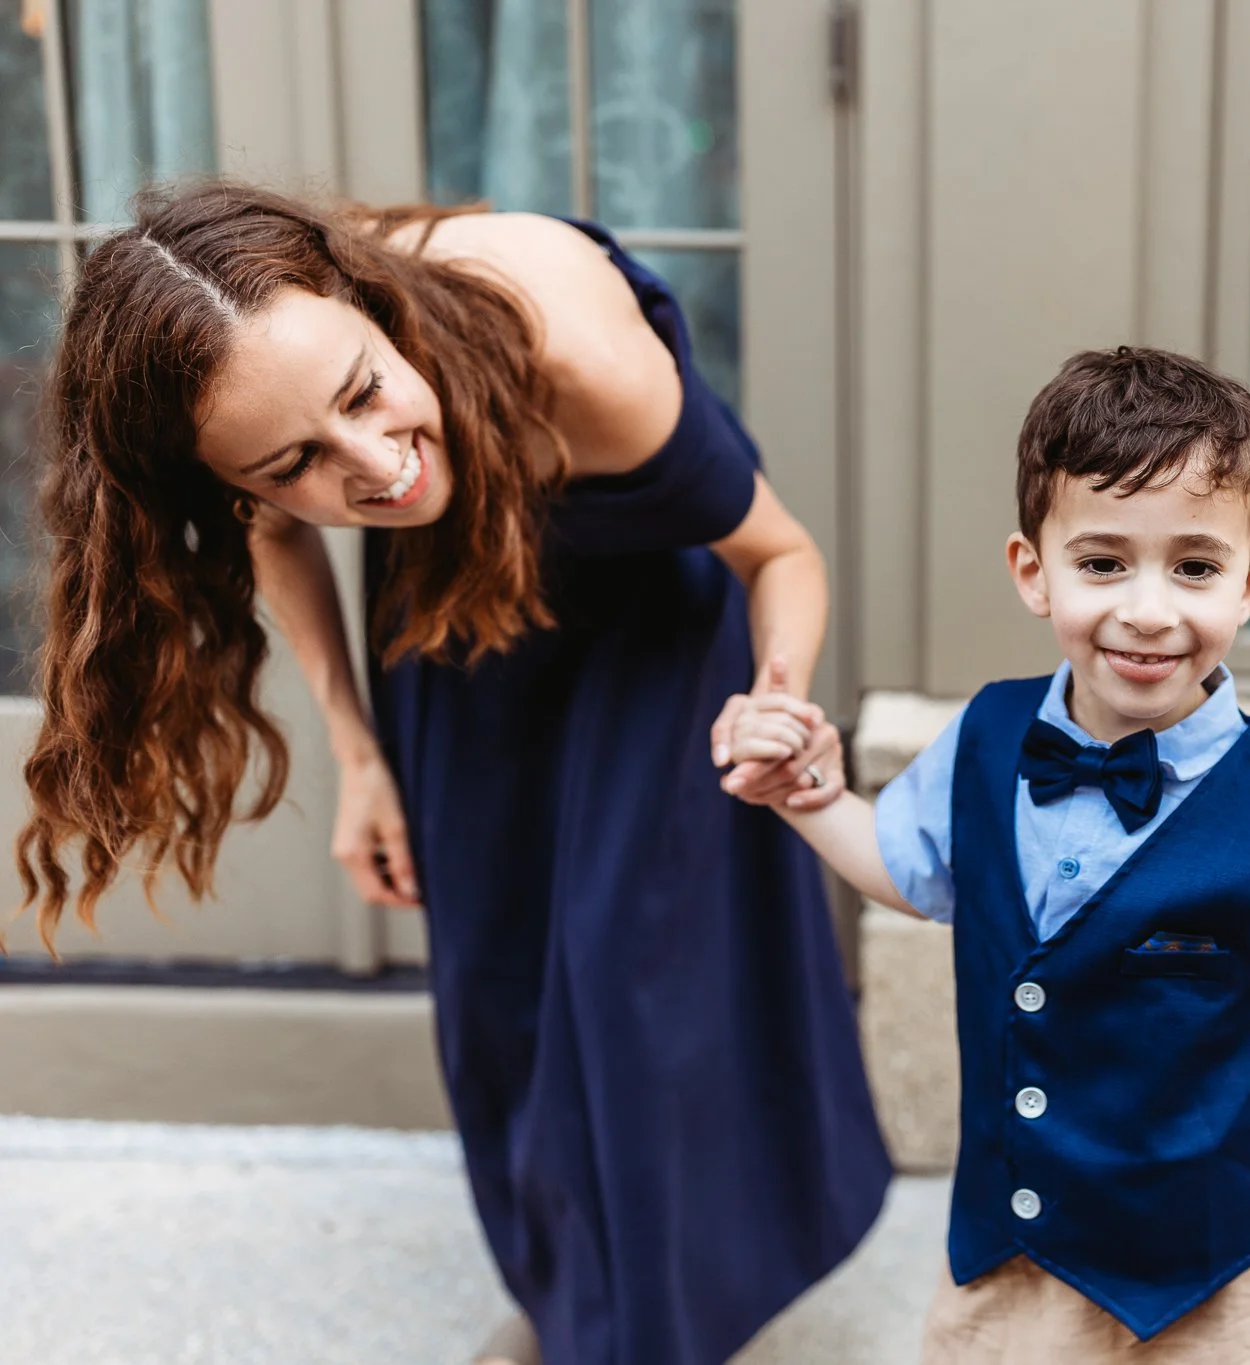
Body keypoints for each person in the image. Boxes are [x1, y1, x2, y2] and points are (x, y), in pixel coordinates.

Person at [15, 180, 892, 1365]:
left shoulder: (580, 365)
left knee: (636, 999)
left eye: (366, 393)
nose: (378, 468)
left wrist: (777, 695)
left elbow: (778, 553)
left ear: (371, 306)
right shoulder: (269, 427)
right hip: (455, 623)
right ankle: (579, 1298)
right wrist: (356, 749)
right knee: (504, 997)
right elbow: (273, 530)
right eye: (300, 462)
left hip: (653, 640)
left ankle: (654, 1331)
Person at [725, 347, 1250, 1362]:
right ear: (1032, 571)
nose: (1147, 609)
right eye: (1102, 562)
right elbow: (905, 872)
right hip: (1009, 1269)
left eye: (1195, 567)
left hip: (1215, 1287)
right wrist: (808, 797)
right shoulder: (985, 741)